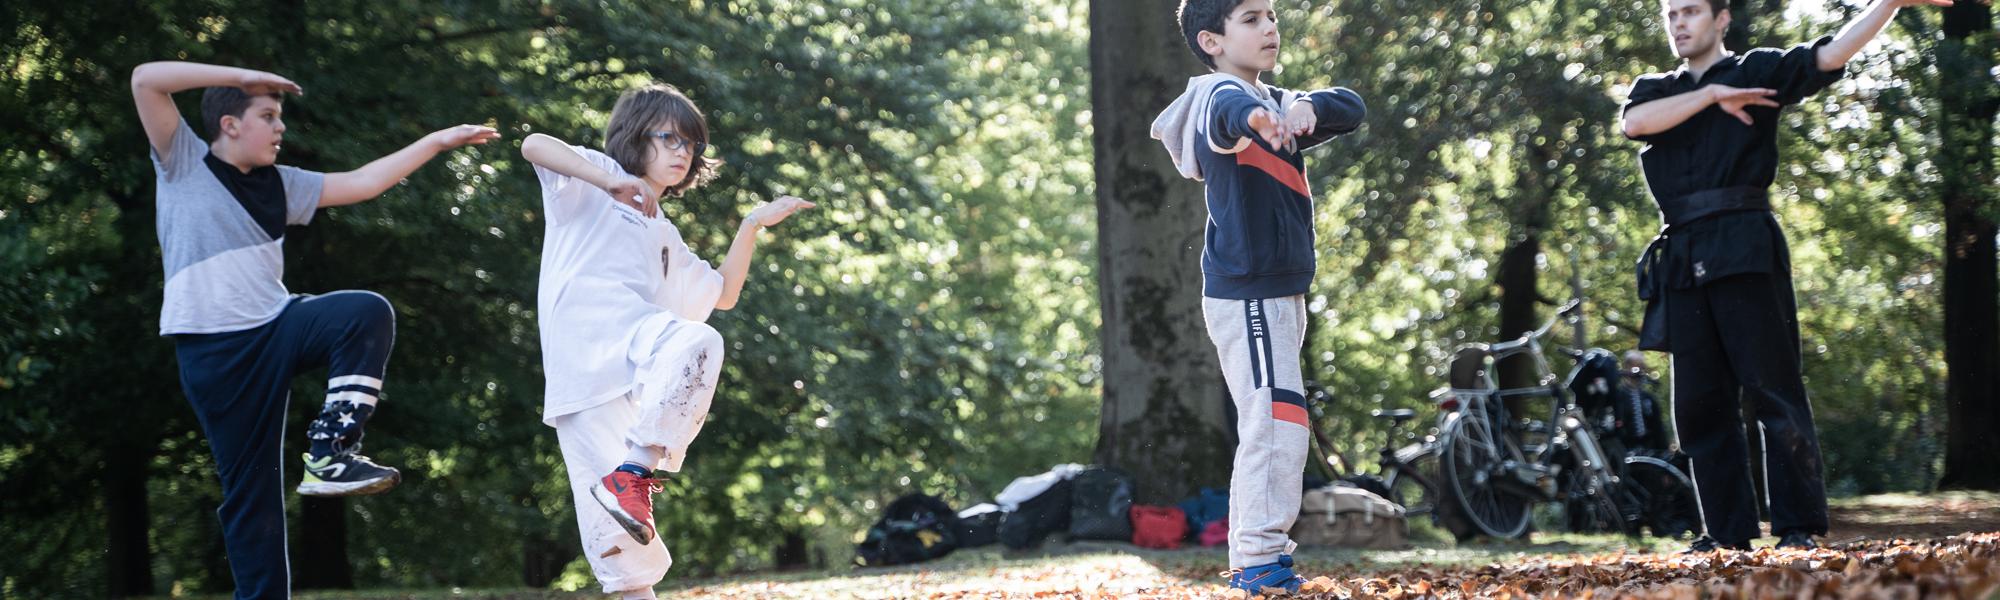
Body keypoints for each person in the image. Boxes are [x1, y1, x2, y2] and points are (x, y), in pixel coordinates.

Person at [132, 60, 498, 598]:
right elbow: (146, 79)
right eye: (268, 115)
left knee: (364, 311)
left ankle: (330, 451)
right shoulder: (183, 162)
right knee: (251, 496)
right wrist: (241, 74)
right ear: (230, 124)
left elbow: (364, 183)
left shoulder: (282, 184)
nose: (281, 128)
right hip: (215, 355)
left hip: (277, 325)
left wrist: (437, 142)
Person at [1620, 0, 1952, 552]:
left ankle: (1797, 528)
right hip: (1682, 257)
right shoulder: (1655, 89)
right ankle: (1725, 535)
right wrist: (1710, 97)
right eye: (1671, 13)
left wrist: (1889, 2)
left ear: (1722, 18)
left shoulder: (1756, 71)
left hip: (1746, 245)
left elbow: (1829, 55)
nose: (1679, 23)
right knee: (1700, 404)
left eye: (1691, 12)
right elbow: (1634, 124)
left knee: (1773, 389)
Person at [520, 83, 813, 599]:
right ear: (637, 136)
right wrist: (605, 180)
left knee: (698, 342)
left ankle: (633, 471)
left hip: (634, 353)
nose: (683, 153)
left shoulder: (664, 233)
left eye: (691, 146)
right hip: (578, 375)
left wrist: (751, 224)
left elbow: (720, 295)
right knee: (619, 548)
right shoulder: (587, 179)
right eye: (671, 139)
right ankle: (624, 485)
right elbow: (534, 144)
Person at [1152, 0, 1366, 593]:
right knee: (1278, 423)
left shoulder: (1279, 103)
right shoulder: (1218, 98)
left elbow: (1351, 106)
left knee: (1267, 421)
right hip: (1247, 292)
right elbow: (1232, 114)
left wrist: (1302, 106)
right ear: (1212, 40)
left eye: (1272, 15)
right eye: (1250, 18)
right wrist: (1261, 119)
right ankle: (1264, 563)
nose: (1270, 26)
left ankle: (1252, 562)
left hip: (1278, 292)